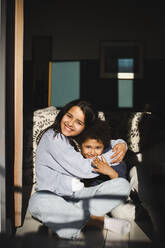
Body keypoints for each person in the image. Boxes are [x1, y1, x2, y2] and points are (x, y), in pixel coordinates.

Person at [28, 99, 131, 240]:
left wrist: (121, 143)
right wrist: (112, 156)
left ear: (85, 127)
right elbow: (83, 168)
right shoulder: (53, 137)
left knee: (122, 185)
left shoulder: (77, 137)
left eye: (79, 122)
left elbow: (102, 142)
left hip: (77, 197)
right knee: (38, 202)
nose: (70, 123)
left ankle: (73, 217)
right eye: (69, 116)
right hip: (53, 196)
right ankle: (99, 222)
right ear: (63, 113)